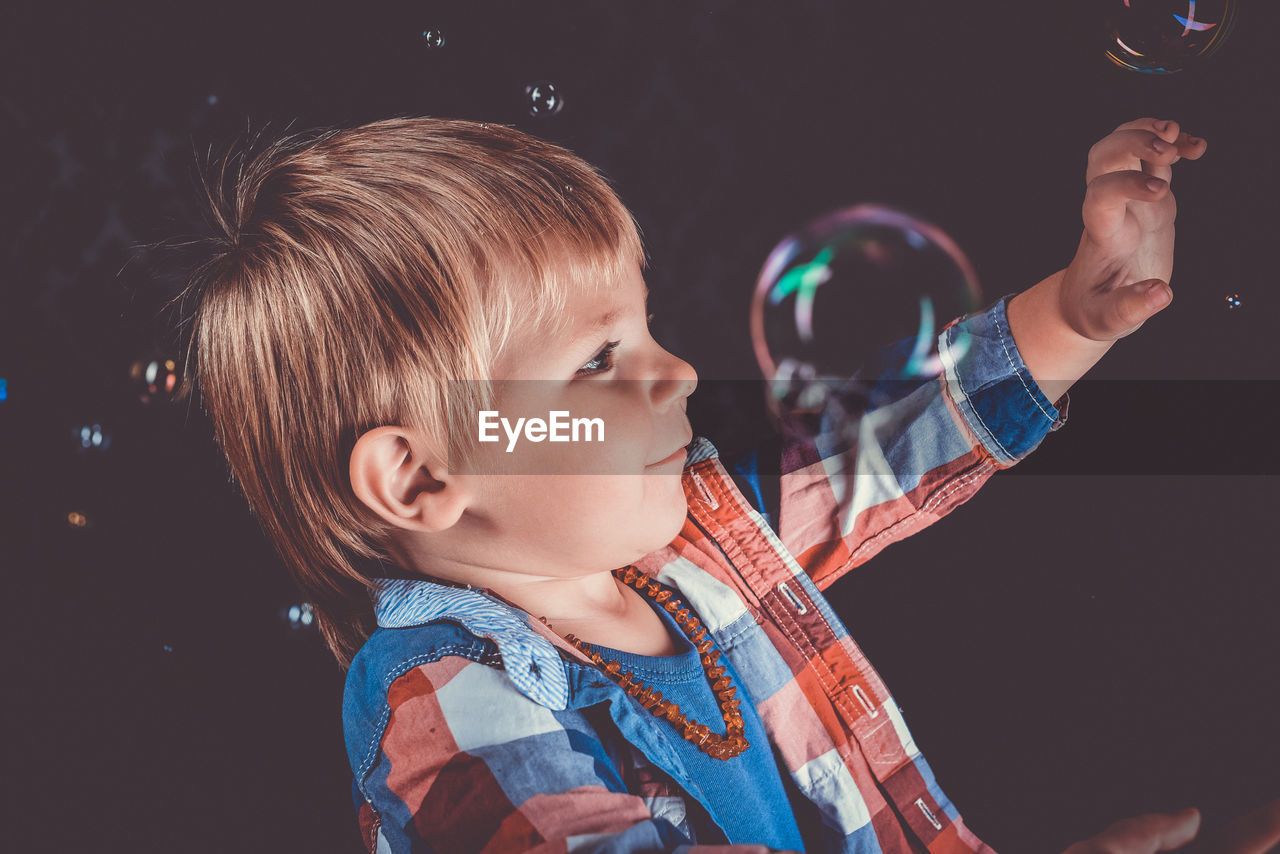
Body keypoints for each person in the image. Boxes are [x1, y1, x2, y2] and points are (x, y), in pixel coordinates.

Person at [166, 114, 1276, 852]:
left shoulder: (693, 537)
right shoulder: (447, 698)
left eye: (642, 327)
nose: (679, 371)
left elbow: (891, 451)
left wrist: (1075, 313)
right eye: (598, 360)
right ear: (417, 475)